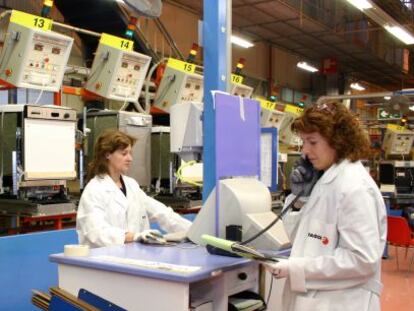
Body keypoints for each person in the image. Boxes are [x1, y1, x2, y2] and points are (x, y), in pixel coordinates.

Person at [264, 102, 387, 311]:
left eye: (312, 142)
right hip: (316, 300)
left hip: (342, 302)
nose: (305, 151)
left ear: (338, 141)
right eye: (303, 142)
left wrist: (296, 268)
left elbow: (361, 261)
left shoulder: (355, 187)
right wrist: (301, 199)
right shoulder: (326, 180)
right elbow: (302, 240)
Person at [76, 129, 192, 248]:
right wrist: (135, 237)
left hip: (133, 256)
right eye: (124, 153)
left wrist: (194, 231)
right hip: (105, 260)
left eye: (130, 153)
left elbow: (162, 213)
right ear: (107, 154)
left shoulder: (131, 185)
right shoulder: (94, 190)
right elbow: (96, 232)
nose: (130, 158)